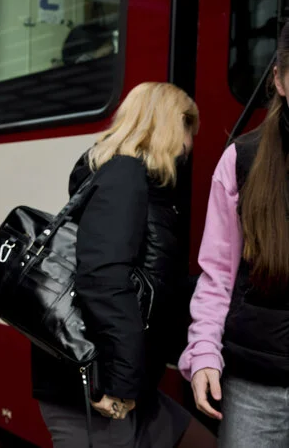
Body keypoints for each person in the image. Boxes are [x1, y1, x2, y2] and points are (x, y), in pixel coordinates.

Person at [31, 82, 215, 447]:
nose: (190, 145)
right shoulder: (125, 177)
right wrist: (120, 384)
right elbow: (103, 280)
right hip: (100, 383)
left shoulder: (142, 184)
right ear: (169, 124)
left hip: (128, 379)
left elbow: (148, 280)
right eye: (188, 131)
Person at [179, 22, 289, 448]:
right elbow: (217, 276)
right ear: (278, 79)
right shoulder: (240, 159)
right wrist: (204, 351)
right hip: (253, 387)